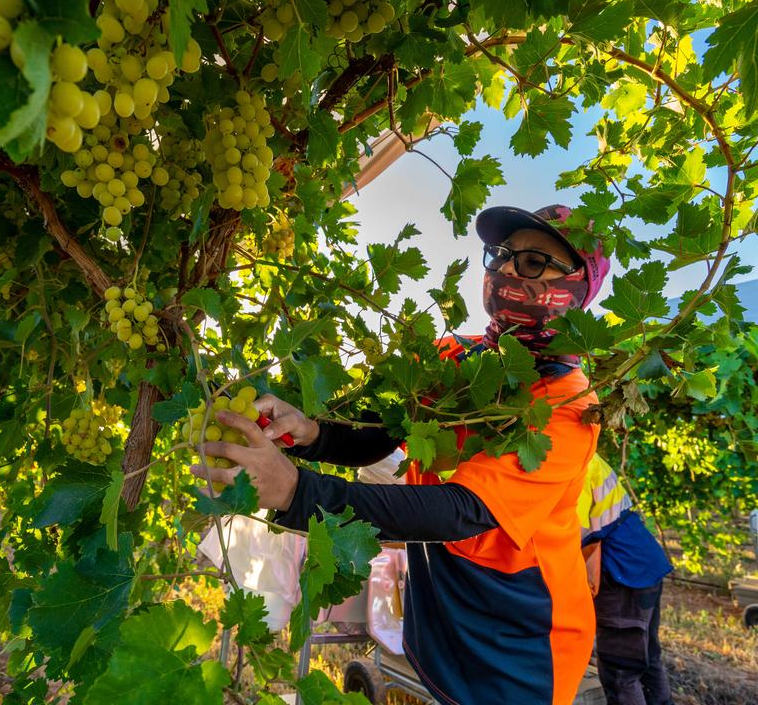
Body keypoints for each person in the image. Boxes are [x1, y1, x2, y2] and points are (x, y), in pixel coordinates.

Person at [191, 204, 612, 705]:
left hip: (519, 649)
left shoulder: (566, 405)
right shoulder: (456, 359)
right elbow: (379, 431)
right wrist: (311, 432)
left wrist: (297, 491)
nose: (503, 271)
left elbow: (460, 511)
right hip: (442, 624)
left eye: (533, 263)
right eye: (500, 256)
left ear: (578, 288)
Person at [579, 454, 674, 705]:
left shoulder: (569, 461)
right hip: (643, 558)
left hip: (623, 572)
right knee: (649, 658)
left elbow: (573, 534)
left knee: (621, 672)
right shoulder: (589, 455)